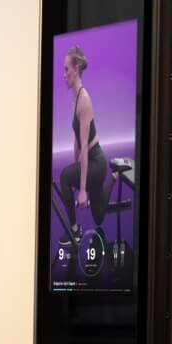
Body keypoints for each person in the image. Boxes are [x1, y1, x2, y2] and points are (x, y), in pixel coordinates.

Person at [58, 45, 109, 240]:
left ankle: (74, 230)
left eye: (66, 69)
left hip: (96, 161)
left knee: (64, 177)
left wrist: (81, 190)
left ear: (76, 69)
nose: (64, 75)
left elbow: (86, 148)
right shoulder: (75, 100)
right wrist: (76, 166)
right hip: (90, 161)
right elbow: (76, 141)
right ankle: (113, 179)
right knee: (98, 217)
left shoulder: (84, 100)